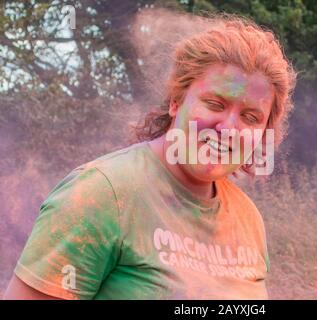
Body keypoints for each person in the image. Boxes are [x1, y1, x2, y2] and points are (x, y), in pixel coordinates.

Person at [3, 14, 296, 300]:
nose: (229, 128)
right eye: (215, 103)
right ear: (176, 102)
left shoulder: (248, 220)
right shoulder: (101, 195)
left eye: (250, 117)